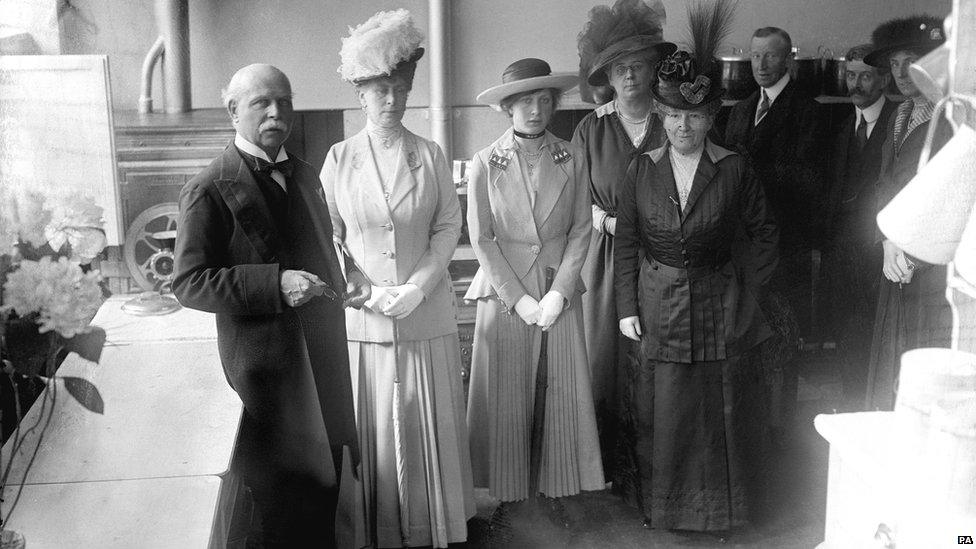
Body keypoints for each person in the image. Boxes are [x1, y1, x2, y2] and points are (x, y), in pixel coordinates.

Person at [172, 63, 370, 548]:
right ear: (233, 111)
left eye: (284, 100)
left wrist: (349, 274)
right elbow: (188, 282)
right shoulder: (208, 186)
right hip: (268, 377)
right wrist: (275, 286)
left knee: (325, 490)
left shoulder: (303, 173)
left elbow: (319, 246)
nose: (276, 112)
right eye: (262, 102)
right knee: (280, 513)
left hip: (322, 364)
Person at [321, 10, 475, 548]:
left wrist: (417, 288)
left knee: (423, 418)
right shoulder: (338, 159)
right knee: (377, 430)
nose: (391, 100)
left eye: (400, 89)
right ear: (361, 95)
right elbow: (329, 237)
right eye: (380, 90)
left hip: (424, 312)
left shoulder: (429, 156)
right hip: (365, 320)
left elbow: (448, 226)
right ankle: (379, 530)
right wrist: (365, 289)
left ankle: (432, 527)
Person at [614, 44, 779, 532]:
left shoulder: (733, 167)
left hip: (720, 303)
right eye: (673, 116)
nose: (683, 127)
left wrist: (745, 293)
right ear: (661, 116)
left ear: (711, 117)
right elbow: (626, 244)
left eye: (695, 116)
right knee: (663, 411)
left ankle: (721, 513)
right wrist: (627, 305)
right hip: (658, 303)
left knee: (718, 410)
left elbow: (765, 234)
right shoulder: (640, 170)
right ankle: (663, 510)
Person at [465, 58, 604, 503]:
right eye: (525, 101)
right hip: (506, 294)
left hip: (557, 288)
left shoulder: (573, 156)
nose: (535, 109)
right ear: (508, 107)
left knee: (559, 394)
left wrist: (559, 293)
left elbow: (582, 229)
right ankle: (508, 500)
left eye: (544, 100)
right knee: (508, 400)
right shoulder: (485, 163)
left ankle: (558, 494)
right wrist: (521, 301)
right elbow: (481, 239)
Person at [572, 0, 676, 478]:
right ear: (607, 78)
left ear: (654, 70)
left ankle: (656, 463)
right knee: (605, 356)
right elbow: (574, 199)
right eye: (619, 69)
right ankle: (606, 464)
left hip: (663, 256)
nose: (630, 76)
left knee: (659, 351)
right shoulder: (590, 129)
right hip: (606, 255)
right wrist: (607, 222)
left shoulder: (673, 121)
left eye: (638, 66)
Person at [723, 26, 826, 443]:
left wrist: (750, 174)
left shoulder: (809, 111)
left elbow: (807, 178)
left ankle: (781, 432)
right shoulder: (741, 109)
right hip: (745, 248)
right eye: (755, 56)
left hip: (787, 244)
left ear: (788, 60)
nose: (761, 65)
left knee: (783, 340)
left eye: (770, 57)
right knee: (748, 336)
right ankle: (751, 428)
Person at [863, 15, 952, 411]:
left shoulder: (953, 118)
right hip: (895, 257)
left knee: (924, 360)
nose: (900, 73)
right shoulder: (899, 115)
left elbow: (947, 195)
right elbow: (883, 185)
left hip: (929, 264)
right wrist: (885, 241)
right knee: (891, 360)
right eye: (894, 64)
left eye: (910, 62)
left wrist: (907, 248)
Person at [822, 44, 897, 410]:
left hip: (879, 260)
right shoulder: (838, 129)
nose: (856, 84)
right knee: (847, 347)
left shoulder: (897, 123)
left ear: (884, 78)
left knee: (877, 350)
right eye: (851, 75)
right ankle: (852, 410)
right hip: (842, 264)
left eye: (865, 76)